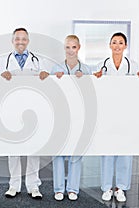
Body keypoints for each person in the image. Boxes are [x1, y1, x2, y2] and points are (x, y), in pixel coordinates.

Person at [93, 32, 139, 202]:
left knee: (125, 151)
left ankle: (121, 188)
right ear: (109, 45)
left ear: (125, 46)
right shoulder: (101, 65)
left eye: (121, 42)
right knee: (107, 152)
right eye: (114, 42)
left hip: (126, 115)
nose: (117, 45)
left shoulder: (133, 65)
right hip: (107, 115)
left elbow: (137, 89)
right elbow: (96, 89)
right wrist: (96, 78)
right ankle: (107, 187)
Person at [0, 28, 49, 200]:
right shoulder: (3, 61)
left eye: (24, 39)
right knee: (14, 150)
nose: (20, 41)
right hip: (12, 109)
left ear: (28, 41)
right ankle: (14, 185)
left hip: (33, 109)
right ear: (12, 41)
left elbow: (46, 83)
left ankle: (34, 186)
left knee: (34, 150)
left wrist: (44, 75)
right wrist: (0, 76)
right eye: (17, 39)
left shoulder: (38, 60)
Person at [50, 35, 91, 201]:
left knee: (76, 153)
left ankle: (73, 189)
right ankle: (59, 189)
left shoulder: (86, 69)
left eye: (73, 47)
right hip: (61, 116)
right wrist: (55, 79)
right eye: (68, 47)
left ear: (79, 48)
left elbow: (90, 95)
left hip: (79, 117)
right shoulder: (56, 68)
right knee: (58, 153)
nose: (70, 50)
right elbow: (50, 92)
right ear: (64, 48)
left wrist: (85, 80)